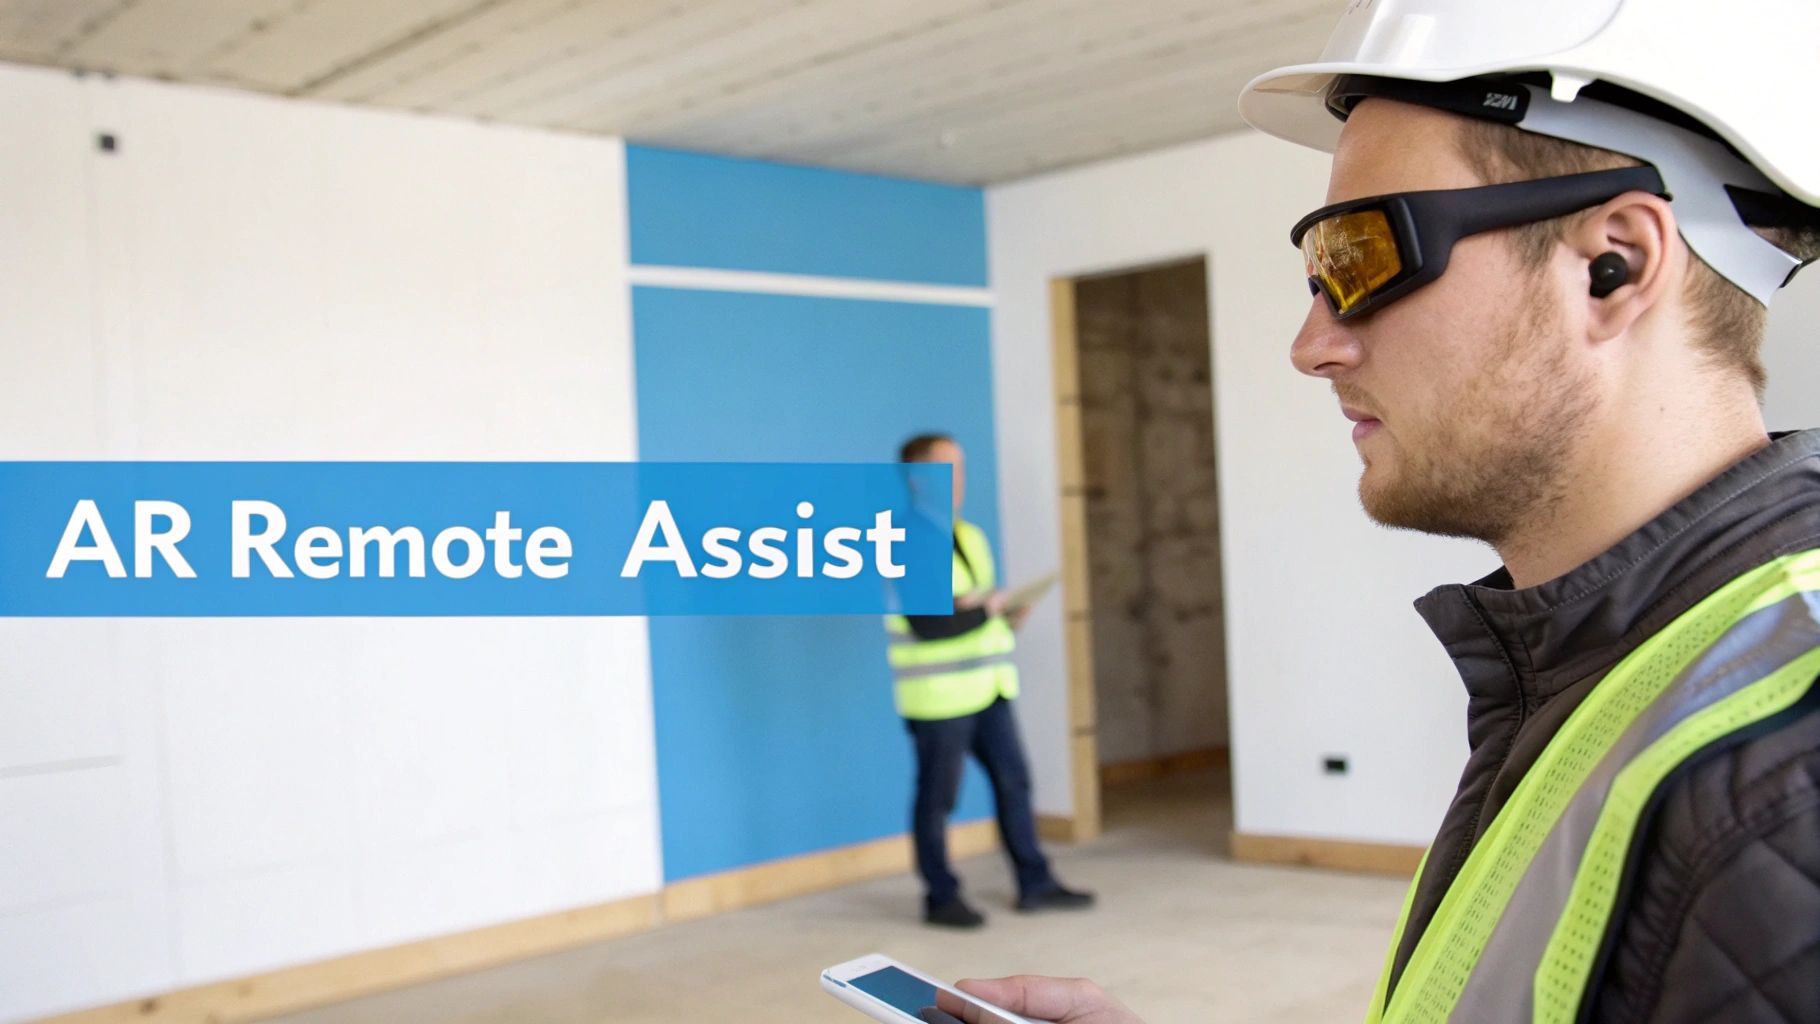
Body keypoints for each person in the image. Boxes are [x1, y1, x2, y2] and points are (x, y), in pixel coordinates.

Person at [943, 0, 1820, 1020]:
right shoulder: (1607, 661)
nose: (1310, 343)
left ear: (1607, 265)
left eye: (1356, 256)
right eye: (1316, 274)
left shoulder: (1784, 781)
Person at [889, 432, 1094, 928]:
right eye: (947, 468)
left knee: (1013, 782)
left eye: (961, 466)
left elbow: (970, 610)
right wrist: (986, 610)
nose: (959, 478)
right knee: (938, 799)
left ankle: (1035, 882)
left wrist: (1001, 615)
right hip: (938, 699)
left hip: (988, 688)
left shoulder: (969, 535)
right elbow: (930, 624)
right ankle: (939, 897)